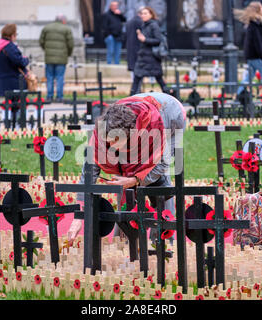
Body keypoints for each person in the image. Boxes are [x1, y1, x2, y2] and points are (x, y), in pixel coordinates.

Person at [67, 91, 186, 244]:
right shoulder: (102, 133)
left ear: (130, 134)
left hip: (170, 114)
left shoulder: (153, 129)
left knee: (158, 176)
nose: (110, 146)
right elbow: (89, 173)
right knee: (123, 172)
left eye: (115, 141)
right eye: (108, 141)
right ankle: (124, 238)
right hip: (140, 108)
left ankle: (163, 238)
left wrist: (136, 179)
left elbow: (163, 163)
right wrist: (79, 217)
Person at [234, 2, 262, 99]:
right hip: (256, 55)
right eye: (261, 7)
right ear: (258, 10)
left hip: (251, 55)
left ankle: (239, 94)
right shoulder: (256, 25)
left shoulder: (253, 24)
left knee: (249, 77)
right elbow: (258, 42)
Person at [129, 7, 168, 96]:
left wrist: (145, 40)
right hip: (143, 57)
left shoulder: (154, 25)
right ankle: (131, 99)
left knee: (159, 78)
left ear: (151, 15)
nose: (143, 15)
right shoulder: (144, 25)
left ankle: (170, 96)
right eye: (142, 13)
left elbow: (158, 40)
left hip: (151, 58)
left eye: (145, 13)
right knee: (137, 78)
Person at [39, 15, 74, 102]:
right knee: (60, 77)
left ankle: (49, 96)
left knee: (49, 77)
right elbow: (71, 44)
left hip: (49, 58)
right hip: (61, 58)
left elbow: (41, 41)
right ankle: (59, 97)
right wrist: (68, 53)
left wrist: (47, 50)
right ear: (63, 20)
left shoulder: (46, 28)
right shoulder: (66, 29)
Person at [0, 23, 29, 97]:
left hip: (3, 81)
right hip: (14, 82)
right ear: (12, 35)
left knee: (7, 106)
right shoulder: (9, 46)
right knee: (17, 106)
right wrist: (26, 59)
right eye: (16, 34)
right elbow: (19, 62)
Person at [125, 6, 144, 79]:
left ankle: (134, 82)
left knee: (133, 66)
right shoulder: (141, 22)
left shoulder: (129, 22)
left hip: (130, 46)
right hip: (139, 46)